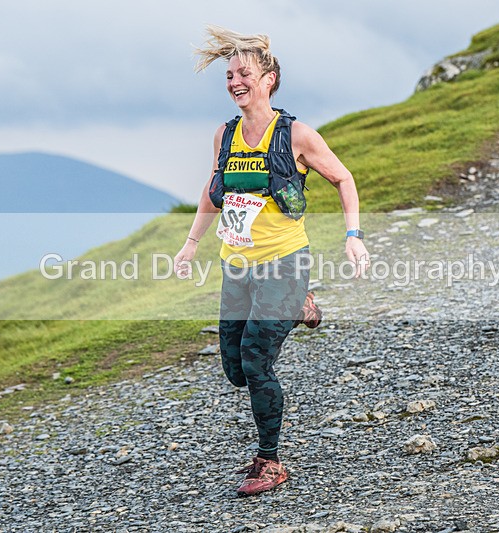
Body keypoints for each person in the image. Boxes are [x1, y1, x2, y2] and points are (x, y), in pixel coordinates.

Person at [173, 25, 368, 497]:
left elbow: (343, 180)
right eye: (229, 75)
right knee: (234, 370)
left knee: (257, 364)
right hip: (236, 266)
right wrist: (191, 243)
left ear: (269, 78)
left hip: (284, 264)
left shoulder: (296, 135)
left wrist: (353, 235)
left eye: (243, 73)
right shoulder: (225, 134)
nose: (234, 82)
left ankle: (270, 461)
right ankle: (302, 306)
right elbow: (213, 190)